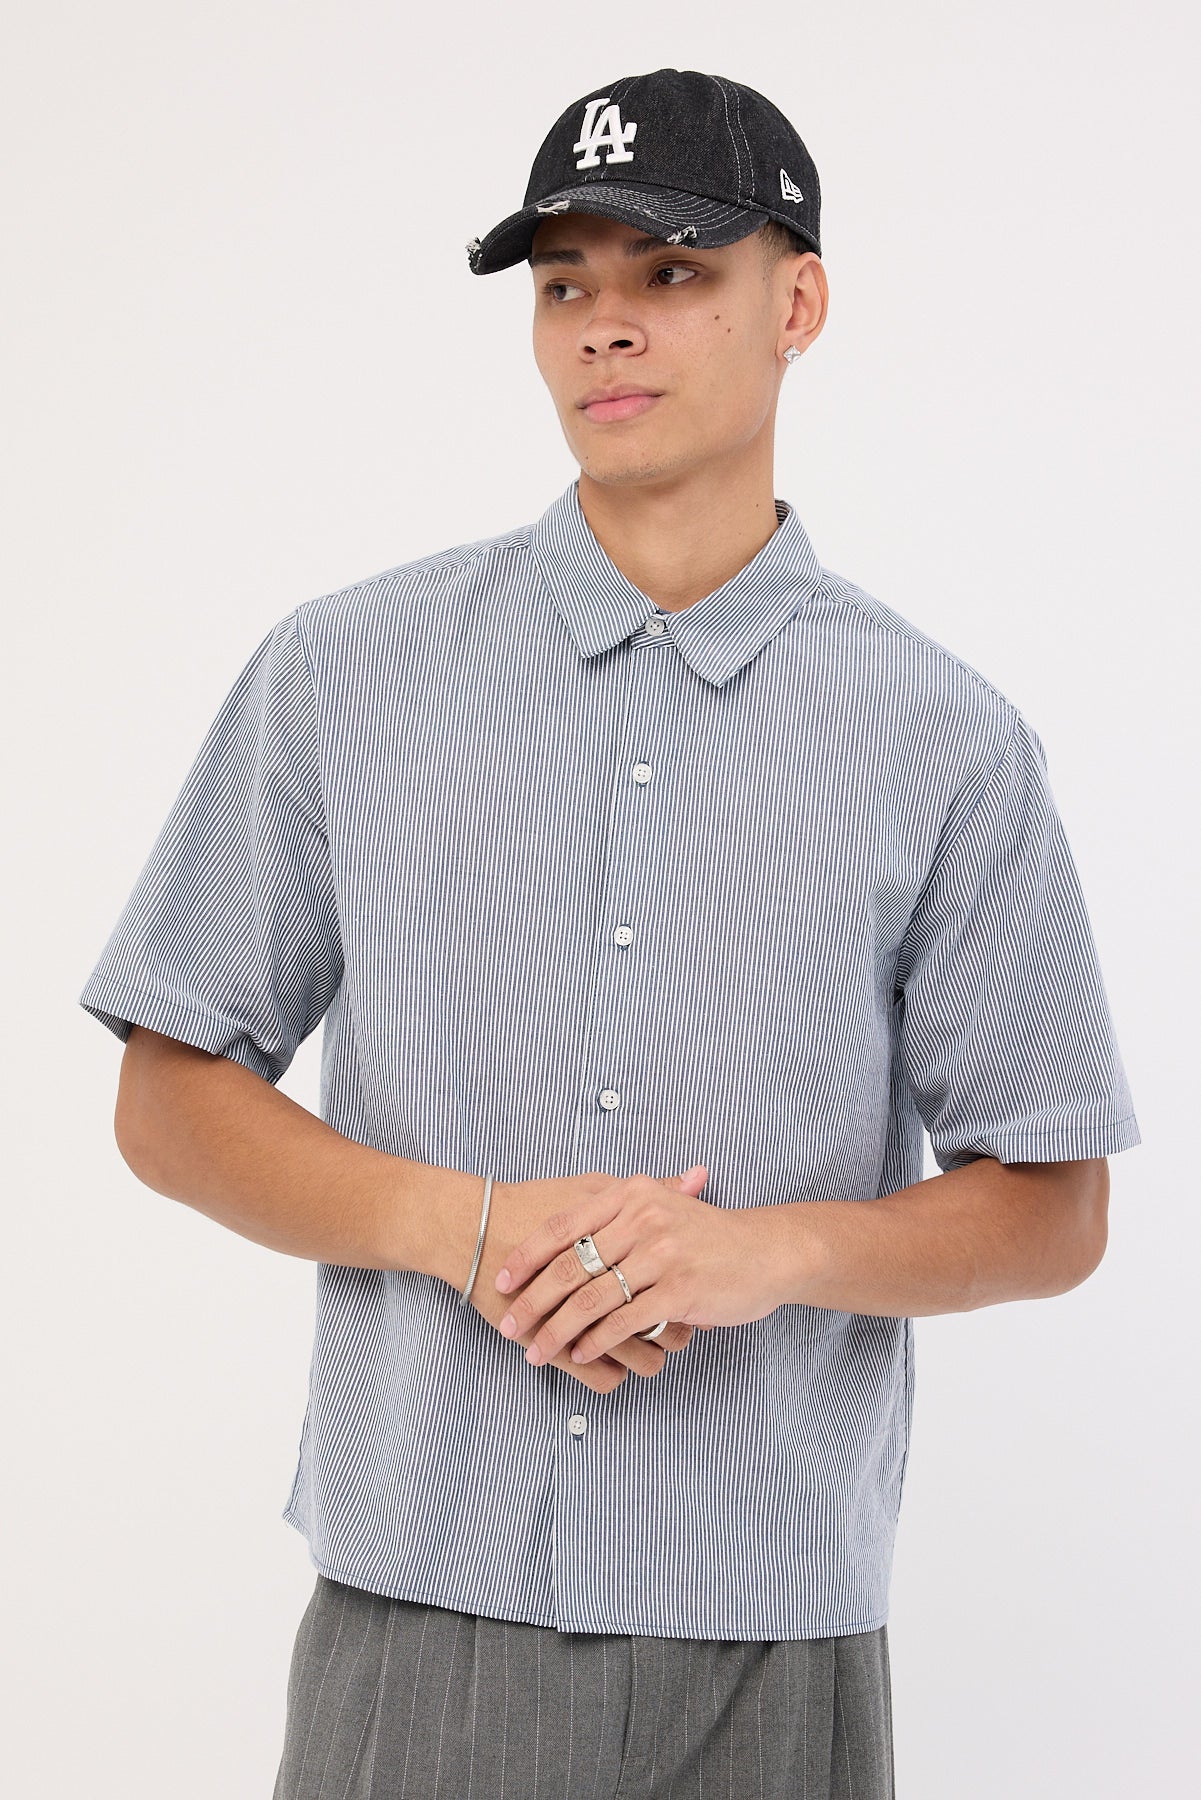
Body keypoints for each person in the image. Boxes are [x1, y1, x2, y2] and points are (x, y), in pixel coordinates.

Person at [78, 66, 1140, 1800]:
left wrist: (766, 1255)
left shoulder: (943, 738)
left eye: (671, 272)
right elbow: (167, 1091)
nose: (604, 327)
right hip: (416, 1619)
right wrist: (463, 1228)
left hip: (770, 1633)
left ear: (797, 303)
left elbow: (1052, 1203)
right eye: (564, 283)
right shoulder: (343, 671)